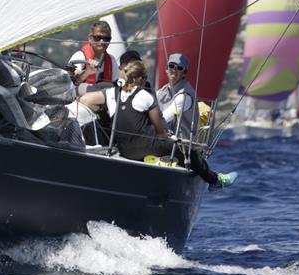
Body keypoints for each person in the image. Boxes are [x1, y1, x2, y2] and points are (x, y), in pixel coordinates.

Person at [154, 52, 237, 190]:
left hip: (180, 147)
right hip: (162, 140)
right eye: (171, 66)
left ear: (184, 73)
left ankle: (215, 180)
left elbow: (162, 118)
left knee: (189, 154)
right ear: (166, 69)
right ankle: (215, 179)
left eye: (179, 68)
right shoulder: (161, 92)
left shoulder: (185, 96)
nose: (174, 70)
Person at [79, 59, 165, 155]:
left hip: (123, 150)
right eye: (145, 77)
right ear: (141, 79)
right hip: (145, 150)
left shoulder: (111, 92)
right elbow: (160, 132)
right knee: (174, 146)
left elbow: (85, 100)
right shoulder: (146, 96)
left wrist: (105, 112)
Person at [68, 21, 119, 95]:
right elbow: (71, 84)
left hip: (103, 101)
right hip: (81, 102)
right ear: (90, 38)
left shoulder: (111, 60)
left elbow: (116, 84)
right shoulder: (79, 56)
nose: (102, 41)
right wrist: (88, 71)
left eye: (106, 38)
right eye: (98, 38)